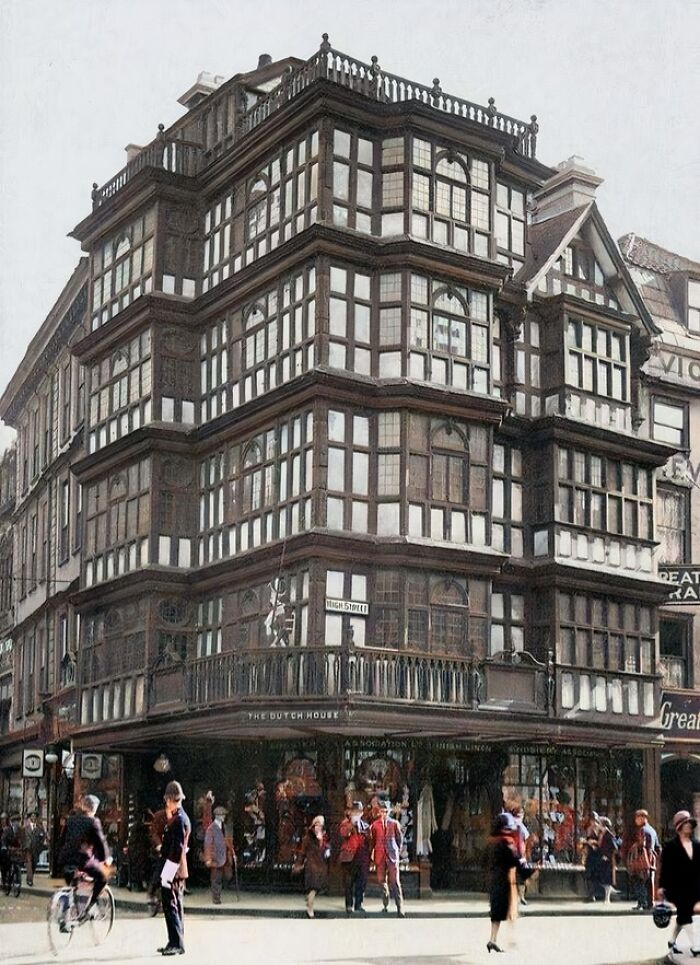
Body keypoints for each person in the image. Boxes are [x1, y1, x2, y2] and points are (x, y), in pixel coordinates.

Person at [485, 813, 533, 953]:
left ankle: (493, 939)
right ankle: (508, 940)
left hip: (492, 880)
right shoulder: (507, 843)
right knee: (508, 910)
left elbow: (484, 861)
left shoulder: (491, 842)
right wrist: (529, 872)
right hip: (505, 880)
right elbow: (516, 861)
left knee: (496, 912)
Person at [57, 795, 111, 919]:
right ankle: (91, 904)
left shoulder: (71, 820)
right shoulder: (93, 821)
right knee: (103, 876)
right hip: (81, 860)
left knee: (72, 886)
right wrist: (106, 859)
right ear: (95, 808)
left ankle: (66, 911)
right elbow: (101, 842)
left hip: (65, 859)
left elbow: (62, 840)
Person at [658, 809, 700, 957]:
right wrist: (661, 887)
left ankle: (672, 941)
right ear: (679, 827)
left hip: (694, 887)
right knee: (685, 913)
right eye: (686, 823)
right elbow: (665, 869)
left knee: (683, 915)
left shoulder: (697, 845)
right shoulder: (670, 846)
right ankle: (696, 946)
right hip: (676, 887)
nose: (689, 826)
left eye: (690, 823)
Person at [158, 780, 191, 956]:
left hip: (173, 868)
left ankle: (176, 943)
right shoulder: (181, 817)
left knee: (170, 905)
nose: (166, 803)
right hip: (178, 868)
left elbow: (177, 849)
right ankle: (176, 941)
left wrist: (167, 874)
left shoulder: (179, 820)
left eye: (167, 799)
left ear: (171, 799)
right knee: (176, 904)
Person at [370, 798, 405, 918]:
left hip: (392, 855)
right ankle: (385, 903)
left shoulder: (394, 824)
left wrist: (397, 851)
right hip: (380, 856)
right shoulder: (375, 825)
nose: (383, 814)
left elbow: (399, 839)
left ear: (389, 811)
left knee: (395, 881)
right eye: (382, 811)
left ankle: (400, 907)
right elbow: (373, 841)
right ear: (379, 812)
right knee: (381, 880)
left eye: (385, 811)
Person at [337, 801, 370, 915]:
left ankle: (358, 904)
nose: (356, 814)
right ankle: (349, 905)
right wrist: (352, 824)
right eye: (354, 811)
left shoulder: (365, 825)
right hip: (349, 858)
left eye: (359, 812)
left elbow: (369, 841)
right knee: (348, 883)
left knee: (361, 883)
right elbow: (343, 834)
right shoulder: (345, 824)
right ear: (351, 812)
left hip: (361, 858)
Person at [625, 808, 660, 911]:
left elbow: (642, 844)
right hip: (651, 859)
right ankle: (650, 903)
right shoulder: (653, 830)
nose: (636, 820)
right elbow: (657, 846)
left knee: (639, 880)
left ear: (643, 818)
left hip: (642, 859)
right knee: (649, 882)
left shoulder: (642, 830)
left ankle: (642, 902)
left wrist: (635, 845)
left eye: (637, 817)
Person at [300, 815, 330, 919]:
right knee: (313, 887)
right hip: (312, 866)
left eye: (321, 825)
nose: (319, 827)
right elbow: (303, 852)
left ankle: (309, 901)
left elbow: (325, 848)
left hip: (320, 865)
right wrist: (299, 863)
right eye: (317, 824)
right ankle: (310, 910)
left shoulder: (323, 836)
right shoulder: (308, 837)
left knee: (315, 888)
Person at [203, 806, 228, 904]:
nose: (224, 817)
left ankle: (217, 896)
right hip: (214, 858)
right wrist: (208, 858)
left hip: (221, 857)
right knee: (215, 878)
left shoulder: (223, 827)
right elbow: (208, 844)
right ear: (218, 816)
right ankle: (216, 898)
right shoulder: (211, 828)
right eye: (223, 815)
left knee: (220, 877)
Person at [597, 816, 619, 904]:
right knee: (603, 878)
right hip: (603, 859)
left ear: (602, 824)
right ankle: (609, 895)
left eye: (599, 823)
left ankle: (607, 898)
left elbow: (615, 848)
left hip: (608, 860)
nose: (597, 825)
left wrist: (608, 856)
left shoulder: (609, 835)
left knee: (607, 879)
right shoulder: (602, 834)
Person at [23, 813, 44, 887]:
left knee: (34, 864)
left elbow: (42, 838)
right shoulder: (26, 828)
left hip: (36, 849)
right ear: (30, 818)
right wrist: (24, 847)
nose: (33, 817)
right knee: (29, 863)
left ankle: (29, 877)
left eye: (35, 816)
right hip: (28, 849)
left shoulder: (39, 828)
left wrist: (40, 847)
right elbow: (23, 838)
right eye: (32, 816)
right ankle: (30, 880)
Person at [583, 834, 603, 902]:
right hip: (591, 862)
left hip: (594, 862)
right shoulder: (590, 845)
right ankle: (590, 895)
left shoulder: (597, 845)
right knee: (589, 879)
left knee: (592, 879)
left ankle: (591, 895)